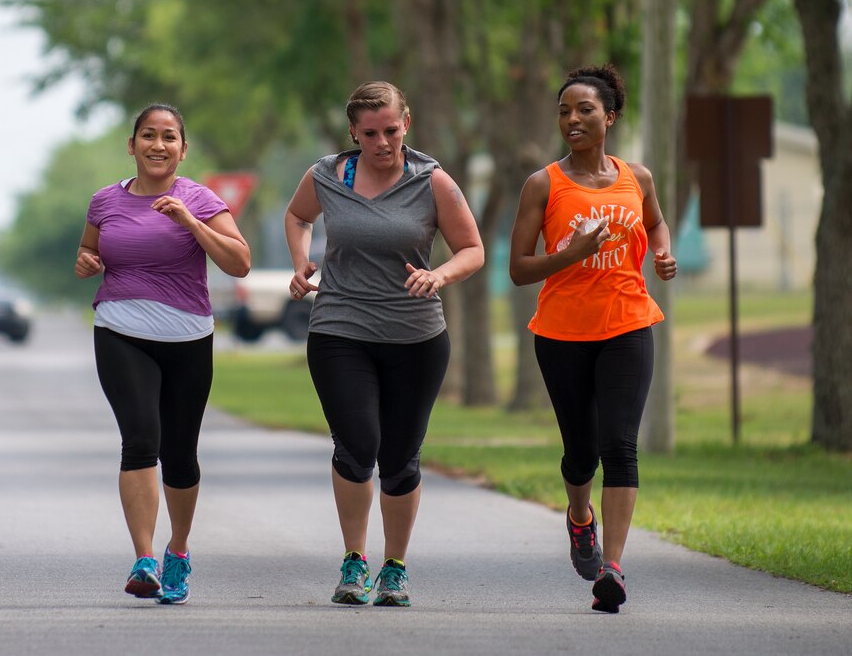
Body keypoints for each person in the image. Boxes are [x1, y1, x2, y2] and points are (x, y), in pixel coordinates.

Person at [284, 81, 484, 607]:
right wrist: (300, 260)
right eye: (369, 133)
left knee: (400, 456)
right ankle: (355, 559)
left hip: (416, 336)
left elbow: (472, 249)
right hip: (339, 329)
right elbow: (298, 215)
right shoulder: (326, 175)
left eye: (391, 130)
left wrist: (438, 275)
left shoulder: (433, 181)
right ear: (353, 132)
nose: (382, 142)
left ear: (406, 124)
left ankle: (394, 567)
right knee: (358, 444)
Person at [508, 64, 677, 614]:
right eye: (564, 111)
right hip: (561, 332)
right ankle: (581, 518)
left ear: (610, 117)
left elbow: (654, 223)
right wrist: (570, 256)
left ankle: (614, 567)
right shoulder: (544, 184)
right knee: (581, 452)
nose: (572, 119)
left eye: (584, 110)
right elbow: (518, 268)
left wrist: (661, 252)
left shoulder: (638, 178)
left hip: (628, 323)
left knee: (620, 446)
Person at [75, 103, 251, 605]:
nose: (158, 145)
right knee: (140, 439)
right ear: (131, 145)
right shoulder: (104, 201)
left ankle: (178, 549)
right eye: (148, 136)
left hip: (188, 336)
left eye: (168, 137)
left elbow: (239, 263)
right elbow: (88, 254)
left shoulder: (199, 198)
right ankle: (144, 559)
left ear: (182, 149)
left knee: (180, 454)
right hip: (120, 328)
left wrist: (191, 221)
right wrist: (87, 263)